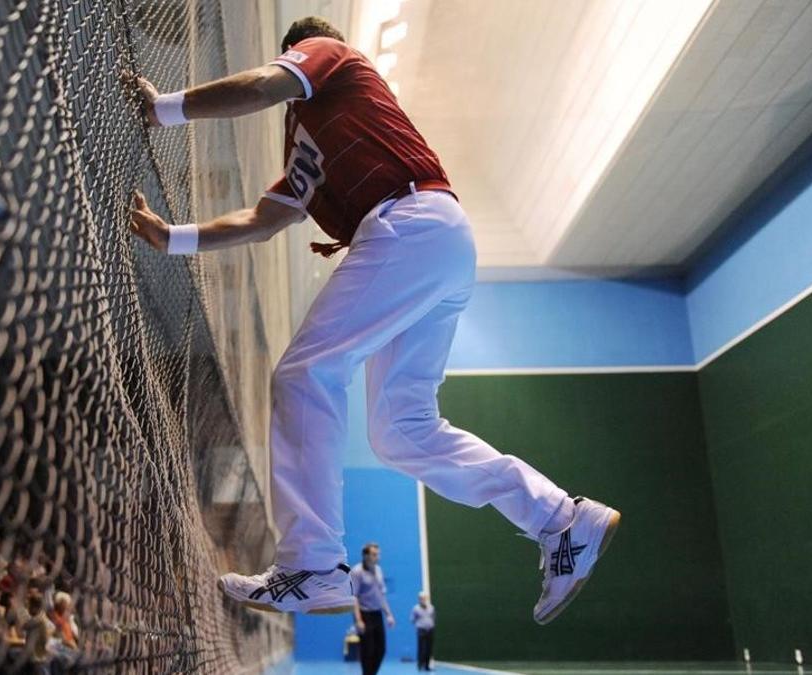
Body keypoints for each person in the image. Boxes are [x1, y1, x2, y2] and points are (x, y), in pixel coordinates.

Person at [128, 15, 620, 625]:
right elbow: (262, 218)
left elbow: (259, 87)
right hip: (434, 242)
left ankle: (309, 562)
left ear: (299, 54)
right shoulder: (311, 144)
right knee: (401, 429)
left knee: (305, 373)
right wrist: (171, 238)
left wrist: (166, 108)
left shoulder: (330, 54)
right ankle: (561, 520)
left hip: (408, 226)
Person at [349, 544, 392, 675]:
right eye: (374, 554)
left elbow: (381, 595)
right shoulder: (356, 572)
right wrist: (358, 620)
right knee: (367, 650)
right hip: (364, 614)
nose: (377, 557)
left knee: (381, 649)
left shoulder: (378, 570)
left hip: (377, 614)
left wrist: (389, 614)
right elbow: (354, 597)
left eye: (378, 554)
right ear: (366, 556)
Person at [411, 591, 435, 671]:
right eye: (421, 598)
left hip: (430, 630)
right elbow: (412, 619)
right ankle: (420, 665)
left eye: (424, 598)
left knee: (429, 648)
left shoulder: (431, 607)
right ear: (419, 599)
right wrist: (419, 624)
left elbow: (433, 617)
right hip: (421, 630)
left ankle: (427, 665)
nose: (423, 599)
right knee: (421, 648)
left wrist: (431, 625)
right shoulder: (415, 608)